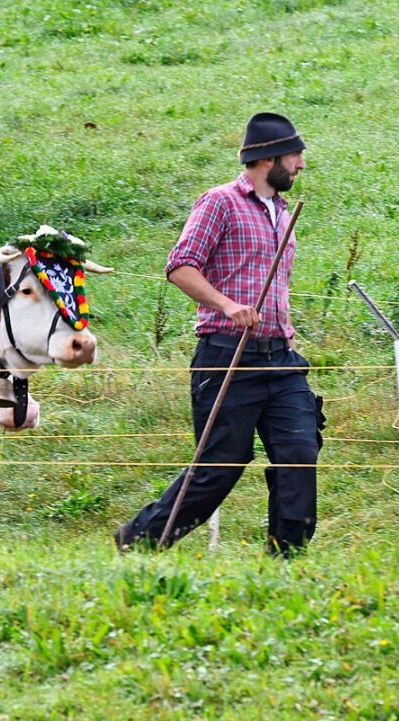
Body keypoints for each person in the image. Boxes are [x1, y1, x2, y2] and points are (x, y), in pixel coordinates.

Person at [114, 112, 323, 557]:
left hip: (280, 359)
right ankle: (138, 542)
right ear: (270, 158)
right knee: (220, 466)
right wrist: (227, 306)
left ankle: (288, 558)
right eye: (296, 155)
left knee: (300, 452)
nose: (301, 164)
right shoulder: (220, 202)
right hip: (228, 354)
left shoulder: (283, 213)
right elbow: (180, 266)